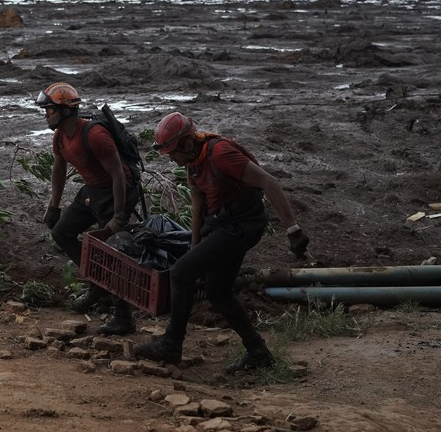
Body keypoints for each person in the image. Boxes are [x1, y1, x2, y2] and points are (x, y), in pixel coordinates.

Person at [134, 112, 311, 372]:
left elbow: (268, 181)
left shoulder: (220, 154)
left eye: (173, 152)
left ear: (186, 143)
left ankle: (171, 344)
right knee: (217, 290)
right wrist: (195, 244)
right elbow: (197, 204)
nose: (171, 159)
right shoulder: (193, 162)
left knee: (180, 273)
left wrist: (292, 229)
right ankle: (258, 352)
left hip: (241, 225)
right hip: (221, 225)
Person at [35, 82, 141, 336]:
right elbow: (58, 170)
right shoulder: (59, 137)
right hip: (92, 190)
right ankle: (98, 283)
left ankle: (123, 317)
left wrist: (118, 216)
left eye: (49, 110)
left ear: (66, 111)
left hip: (118, 191)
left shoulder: (94, 135)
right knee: (62, 233)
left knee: (114, 250)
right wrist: (54, 206)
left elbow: (118, 175)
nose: (46, 115)